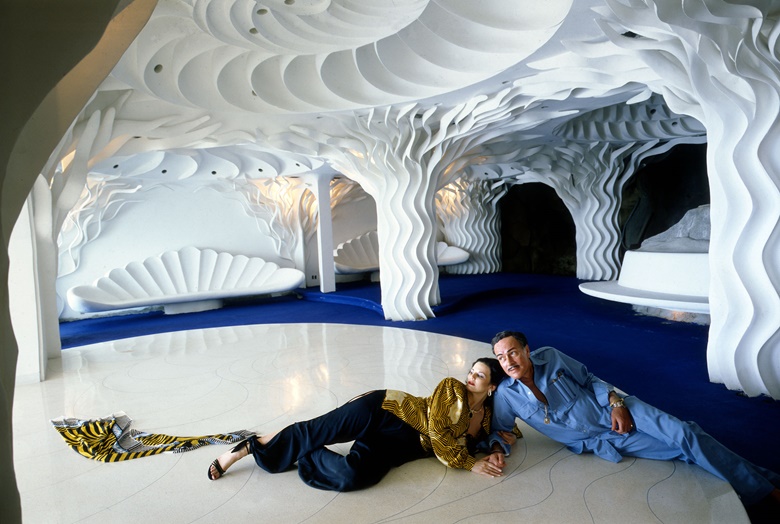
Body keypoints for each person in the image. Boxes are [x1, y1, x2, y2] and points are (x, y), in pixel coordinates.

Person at [488, 330, 780, 513]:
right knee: (680, 449)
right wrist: (498, 450)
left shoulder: (550, 357)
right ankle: (766, 478)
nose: (509, 361)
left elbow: (588, 378)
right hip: (605, 440)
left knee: (682, 433)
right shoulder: (506, 395)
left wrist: (616, 403)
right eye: (501, 358)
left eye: (513, 351)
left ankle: (766, 492)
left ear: (527, 350)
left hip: (620, 409)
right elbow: (500, 429)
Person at [207, 357, 518, 491]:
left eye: (479, 375)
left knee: (354, 476)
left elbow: (503, 434)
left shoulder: (487, 417)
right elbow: (438, 434)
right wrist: (468, 463)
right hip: (385, 410)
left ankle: (307, 453)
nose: (470, 377)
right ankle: (244, 448)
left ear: (492, 387)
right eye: (472, 371)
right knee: (317, 428)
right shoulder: (451, 388)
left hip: (400, 445)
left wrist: (496, 446)